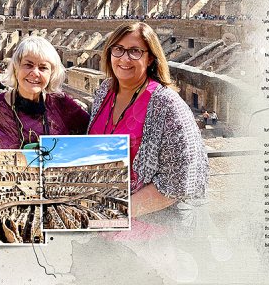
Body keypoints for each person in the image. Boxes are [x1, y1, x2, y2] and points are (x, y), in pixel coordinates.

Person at [88, 22, 208, 217]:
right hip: (103, 213)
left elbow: (179, 182)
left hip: (150, 226)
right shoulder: (105, 91)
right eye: (118, 49)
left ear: (150, 58)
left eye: (135, 51)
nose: (124, 58)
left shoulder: (167, 104)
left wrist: (118, 212)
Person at [0, 36, 89, 149]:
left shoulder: (62, 104)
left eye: (43, 68)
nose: (35, 73)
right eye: (28, 65)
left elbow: (95, 135)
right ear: (16, 69)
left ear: (51, 74)